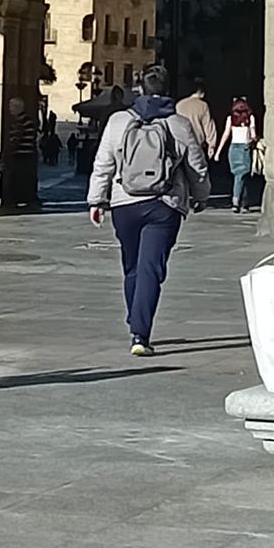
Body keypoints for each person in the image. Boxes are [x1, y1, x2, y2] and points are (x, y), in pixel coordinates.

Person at [88, 65, 210, 355]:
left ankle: (135, 320)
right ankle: (140, 334)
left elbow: (103, 163)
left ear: (140, 88)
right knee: (151, 269)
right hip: (164, 204)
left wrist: (96, 200)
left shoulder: (119, 121)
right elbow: (197, 167)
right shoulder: (178, 124)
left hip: (124, 202)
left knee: (131, 266)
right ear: (167, 90)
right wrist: (201, 196)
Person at [214, 98, 259, 214]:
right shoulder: (250, 118)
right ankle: (237, 201)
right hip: (245, 148)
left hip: (233, 148)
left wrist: (218, 152)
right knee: (242, 175)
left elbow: (226, 134)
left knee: (239, 175)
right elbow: (253, 135)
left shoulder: (231, 119)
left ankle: (243, 202)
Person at [0, 96, 40, 208]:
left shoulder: (20, 122)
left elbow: (15, 139)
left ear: (18, 107)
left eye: (11, 106)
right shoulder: (27, 120)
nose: (10, 109)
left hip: (21, 155)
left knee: (18, 179)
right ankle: (24, 198)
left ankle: (16, 199)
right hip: (26, 155)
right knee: (24, 179)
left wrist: (6, 153)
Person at [175, 79, 220, 160]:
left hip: (180, 143)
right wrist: (211, 145)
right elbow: (209, 126)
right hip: (197, 145)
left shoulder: (179, 105)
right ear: (202, 93)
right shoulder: (203, 105)